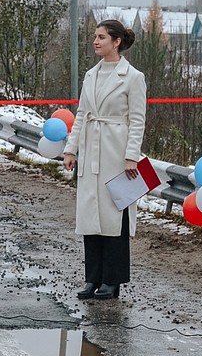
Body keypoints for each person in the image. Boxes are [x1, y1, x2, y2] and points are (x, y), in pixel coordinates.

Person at [62, 19, 147, 301]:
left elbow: (137, 121)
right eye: (95, 37)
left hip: (116, 153)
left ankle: (112, 281)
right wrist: (71, 149)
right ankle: (92, 279)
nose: (95, 42)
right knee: (90, 217)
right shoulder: (91, 75)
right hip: (91, 153)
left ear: (116, 41)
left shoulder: (133, 77)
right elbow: (82, 114)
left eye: (101, 37)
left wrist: (131, 156)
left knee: (114, 216)